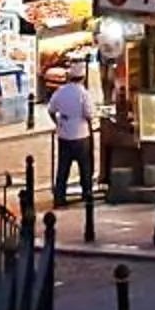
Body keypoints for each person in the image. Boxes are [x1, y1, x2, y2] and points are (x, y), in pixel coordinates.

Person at [46, 67, 98, 209]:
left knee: (63, 167)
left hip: (64, 135)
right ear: (83, 78)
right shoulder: (83, 93)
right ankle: (86, 193)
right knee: (85, 167)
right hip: (81, 135)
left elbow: (51, 110)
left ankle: (59, 196)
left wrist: (58, 123)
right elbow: (89, 114)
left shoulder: (60, 92)